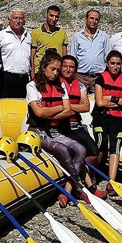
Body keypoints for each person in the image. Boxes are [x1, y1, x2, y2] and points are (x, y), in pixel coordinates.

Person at [26, 51, 92, 206]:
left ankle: (69, 190)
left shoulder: (60, 85)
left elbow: (68, 111)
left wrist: (49, 112)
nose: (56, 73)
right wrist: (59, 107)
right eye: (52, 69)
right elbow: (38, 112)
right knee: (63, 149)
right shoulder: (32, 86)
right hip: (38, 132)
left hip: (54, 131)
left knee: (81, 149)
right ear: (43, 67)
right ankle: (80, 188)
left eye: (57, 69)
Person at [58, 55, 104, 196]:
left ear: (75, 70)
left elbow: (85, 107)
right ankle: (83, 185)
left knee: (94, 152)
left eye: (71, 67)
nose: (68, 69)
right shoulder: (56, 84)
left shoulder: (81, 86)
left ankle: (81, 182)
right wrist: (72, 107)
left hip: (75, 124)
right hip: (61, 125)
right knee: (76, 151)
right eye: (65, 66)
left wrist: (67, 106)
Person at [92, 50, 122, 190]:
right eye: (112, 63)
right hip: (101, 116)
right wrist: (120, 101)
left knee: (115, 145)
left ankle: (112, 182)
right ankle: (90, 175)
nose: (115, 66)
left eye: (118, 64)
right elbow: (99, 102)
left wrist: (111, 98)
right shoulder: (101, 79)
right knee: (101, 141)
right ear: (107, 64)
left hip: (118, 117)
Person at [70, 9, 110, 93]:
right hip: (81, 77)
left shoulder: (104, 36)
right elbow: (73, 57)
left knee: (97, 103)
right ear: (86, 19)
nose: (94, 21)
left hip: (98, 77)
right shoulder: (77, 37)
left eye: (96, 19)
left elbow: (108, 57)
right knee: (80, 102)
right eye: (91, 18)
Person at [0, 9, 32, 98]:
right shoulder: (1, 35)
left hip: (24, 78)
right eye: (15, 18)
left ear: (24, 21)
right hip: (7, 78)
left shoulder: (28, 36)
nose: (18, 21)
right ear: (9, 19)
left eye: (21, 18)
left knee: (21, 105)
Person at [30, 5, 69, 71]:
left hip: (57, 71)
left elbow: (65, 55)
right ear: (46, 15)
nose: (54, 19)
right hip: (40, 71)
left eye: (56, 17)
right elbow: (32, 56)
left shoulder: (62, 32)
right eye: (51, 15)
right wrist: (33, 73)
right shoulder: (36, 33)